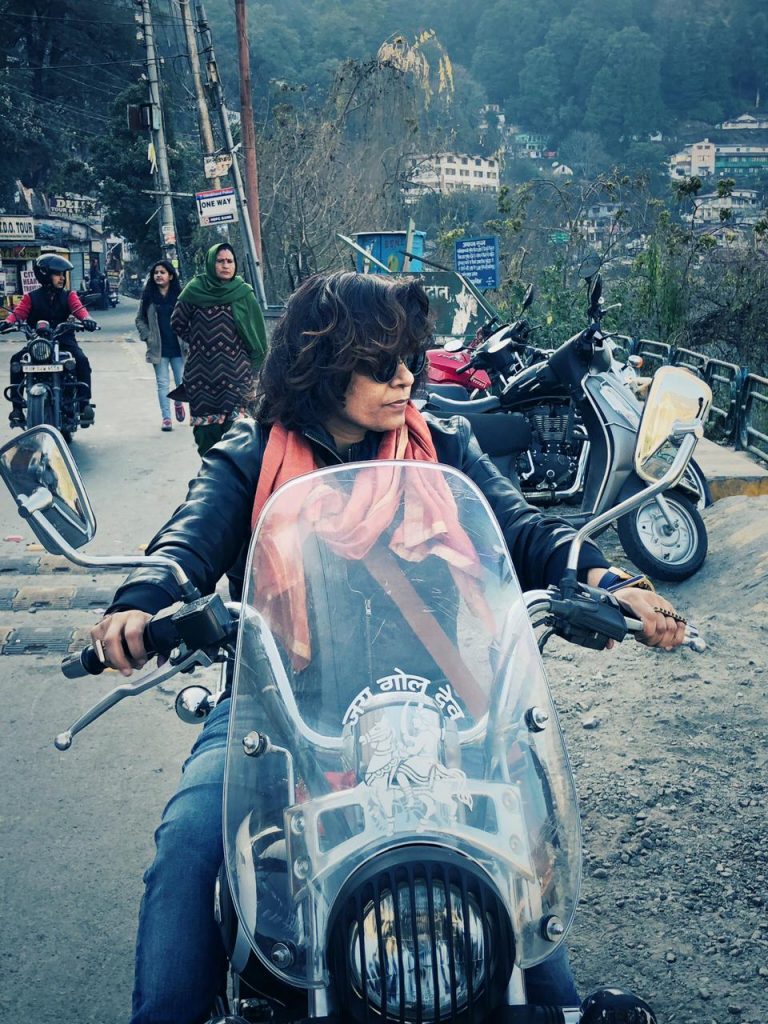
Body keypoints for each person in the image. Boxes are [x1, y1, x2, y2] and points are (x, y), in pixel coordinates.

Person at [91, 272, 686, 1023]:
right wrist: (141, 602)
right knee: (187, 848)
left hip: (438, 708)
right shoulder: (253, 455)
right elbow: (189, 539)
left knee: (516, 870)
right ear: (320, 363)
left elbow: (525, 530)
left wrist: (609, 580)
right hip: (276, 712)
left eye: (409, 358)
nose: (405, 377)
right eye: (379, 363)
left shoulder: (445, 446)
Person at [170, 242, 267, 456]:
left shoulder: (243, 293)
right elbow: (177, 322)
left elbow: (258, 335)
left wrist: (255, 375)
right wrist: (200, 342)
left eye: (229, 261)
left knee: (237, 433)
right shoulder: (195, 290)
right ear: (211, 263)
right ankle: (212, 470)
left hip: (236, 376)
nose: (225, 265)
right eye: (220, 261)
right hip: (201, 377)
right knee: (206, 435)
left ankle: (234, 474)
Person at [2, 253, 98, 427]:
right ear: (45, 275)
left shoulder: (69, 295)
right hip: (38, 342)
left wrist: (87, 319)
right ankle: (17, 409)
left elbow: (79, 309)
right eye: (57, 274)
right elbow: (18, 313)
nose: (62, 278)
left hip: (64, 340)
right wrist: (7, 322)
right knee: (16, 361)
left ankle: (84, 405)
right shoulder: (30, 297)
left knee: (81, 360)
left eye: (63, 275)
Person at [135, 260, 186, 432]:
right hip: (159, 348)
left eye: (162, 272)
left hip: (178, 348)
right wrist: (148, 336)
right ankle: (166, 418)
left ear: (170, 276)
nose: (158, 275)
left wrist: (188, 338)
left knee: (181, 382)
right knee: (162, 384)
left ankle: (178, 402)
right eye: (156, 272)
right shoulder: (148, 297)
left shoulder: (180, 296)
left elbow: (190, 317)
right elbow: (140, 319)